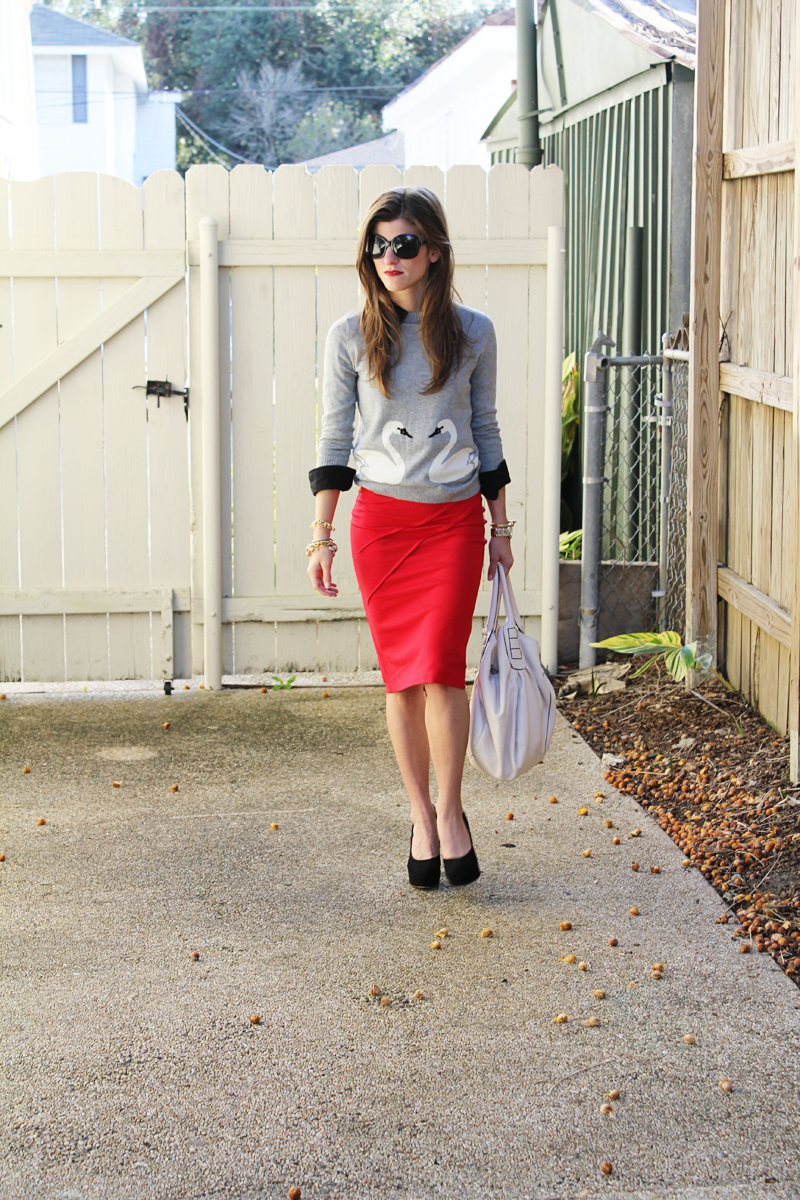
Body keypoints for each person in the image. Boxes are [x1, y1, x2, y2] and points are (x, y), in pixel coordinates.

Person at [307, 186, 513, 890]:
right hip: (382, 527)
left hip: (453, 521)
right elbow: (335, 439)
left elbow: (485, 431)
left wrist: (501, 526)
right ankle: (421, 819)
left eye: (403, 244)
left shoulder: (474, 331)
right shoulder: (348, 336)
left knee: (442, 670)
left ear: (434, 251)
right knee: (402, 678)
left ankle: (453, 815)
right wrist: (321, 535)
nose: (389, 257)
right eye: (378, 244)